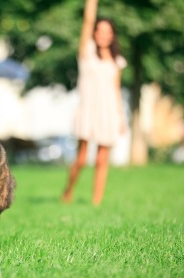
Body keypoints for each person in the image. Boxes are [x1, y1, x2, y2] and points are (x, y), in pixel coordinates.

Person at [62, 0, 127, 206]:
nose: (103, 35)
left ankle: (96, 201)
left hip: (108, 113)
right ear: (95, 33)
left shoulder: (117, 61)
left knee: (101, 159)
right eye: (99, 31)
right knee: (81, 159)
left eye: (107, 31)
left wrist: (121, 116)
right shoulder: (87, 53)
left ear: (113, 35)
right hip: (89, 111)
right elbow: (88, 20)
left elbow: (116, 90)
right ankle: (68, 191)